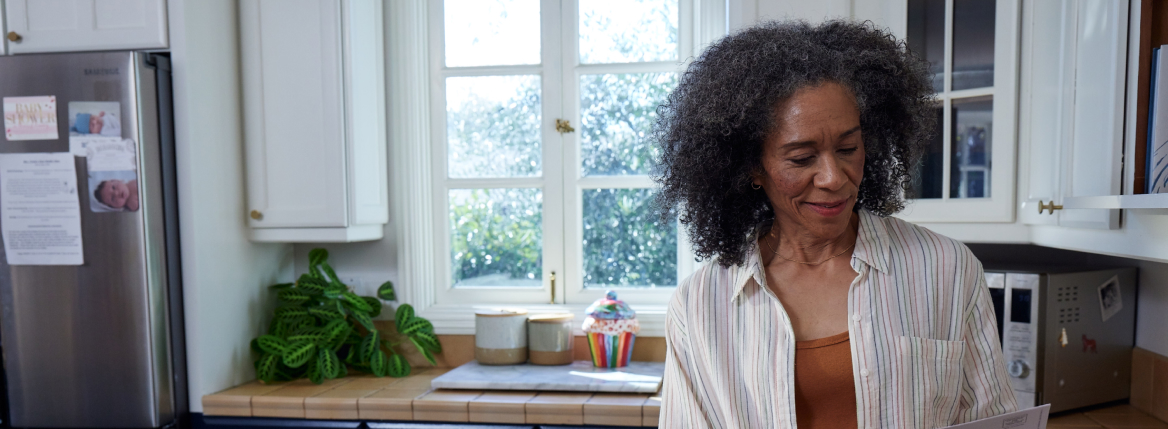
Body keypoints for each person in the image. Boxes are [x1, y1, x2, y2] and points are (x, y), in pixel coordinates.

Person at [652, 21, 1017, 428]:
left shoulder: (945, 268)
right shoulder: (701, 305)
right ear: (752, 167)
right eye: (801, 158)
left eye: (848, 148)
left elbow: (995, 420)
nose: (833, 178)